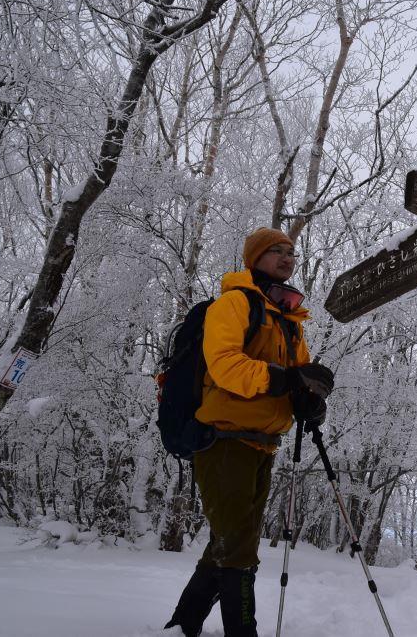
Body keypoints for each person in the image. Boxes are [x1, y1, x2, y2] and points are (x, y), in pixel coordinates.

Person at [165, 227, 334, 637]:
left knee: (229, 541)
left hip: (263, 444)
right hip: (223, 439)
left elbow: (297, 378)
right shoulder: (234, 303)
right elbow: (225, 365)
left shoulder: (289, 319)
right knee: (239, 548)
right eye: (276, 251)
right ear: (253, 258)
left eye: (291, 252)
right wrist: (286, 381)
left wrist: (309, 400)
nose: (287, 258)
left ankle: (184, 623)